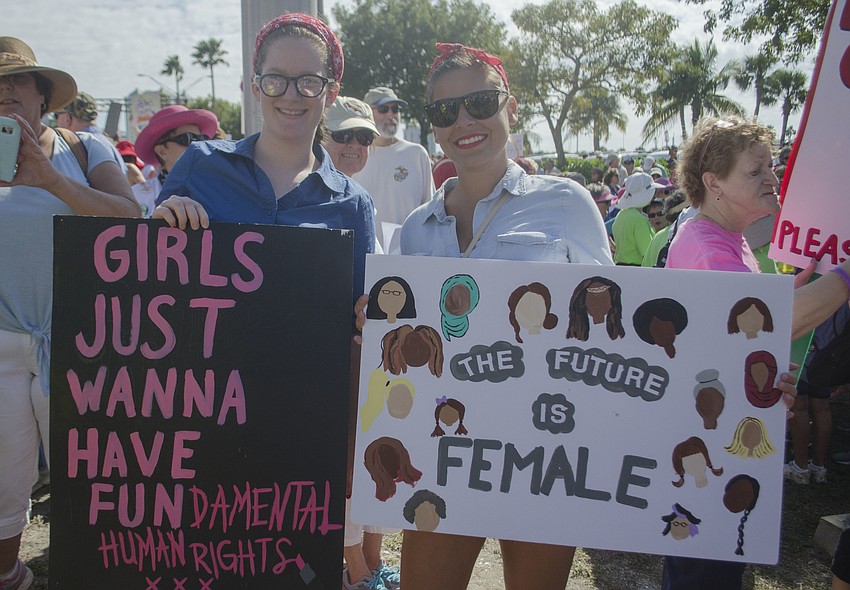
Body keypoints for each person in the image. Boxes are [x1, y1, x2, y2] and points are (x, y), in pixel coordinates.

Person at [356, 42, 612, 590]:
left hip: (544, 454)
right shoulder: (416, 230)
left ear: (509, 107)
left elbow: (611, 329)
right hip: (443, 451)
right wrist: (370, 325)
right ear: (433, 127)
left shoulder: (567, 204)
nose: (464, 121)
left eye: (479, 102)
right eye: (445, 111)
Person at [151, 15, 381, 589]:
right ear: (256, 85)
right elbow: (149, 280)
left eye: (308, 81)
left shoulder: (351, 204)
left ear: (330, 89)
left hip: (300, 427)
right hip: (198, 418)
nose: (291, 95)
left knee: (288, 571)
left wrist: (366, 317)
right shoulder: (200, 166)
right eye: (276, 80)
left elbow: (356, 320)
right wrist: (159, 226)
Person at [662, 114, 850, 589]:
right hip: (708, 450)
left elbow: (743, 332)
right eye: (756, 170)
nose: (772, 177)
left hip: (718, 439)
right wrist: (845, 277)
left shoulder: (724, 239)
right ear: (714, 183)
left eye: (772, 165)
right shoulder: (708, 246)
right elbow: (771, 321)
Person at [0, 36, 140, 590]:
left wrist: (52, 180)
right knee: (4, 480)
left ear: (42, 95)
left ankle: (95, 572)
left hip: (83, 341)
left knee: (93, 477)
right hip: (3, 345)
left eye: (19, 81)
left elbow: (131, 218)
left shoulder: (85, 149)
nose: (7, 90)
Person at [319, 96, 400, 589]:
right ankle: (356, 571)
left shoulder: (358, 201)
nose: (353, 145)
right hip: (317, 361)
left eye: (363, 137)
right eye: (342, 135)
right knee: (345, 470)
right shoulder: (308, 191)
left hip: (361, 355)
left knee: (373, 459)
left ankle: (373, 563)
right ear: (321, 137)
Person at [354, 86, 434, 249]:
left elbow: (431, 212)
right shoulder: (355, 156)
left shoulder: (416, 154)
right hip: (365, 256)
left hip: (409, 257)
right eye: (383, 109)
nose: (391, 115)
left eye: (395, 109)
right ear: (367, 114)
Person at [54, 91, 127, 175]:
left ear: (67, 118)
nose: (56, 120)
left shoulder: (79, 146)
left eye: (56, 115)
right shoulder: (105, 142)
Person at [611, 172, 662, 265]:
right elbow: (648, 253)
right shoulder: (638, 219)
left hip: (620, 268)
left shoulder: (621, 215)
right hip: (636, 270)